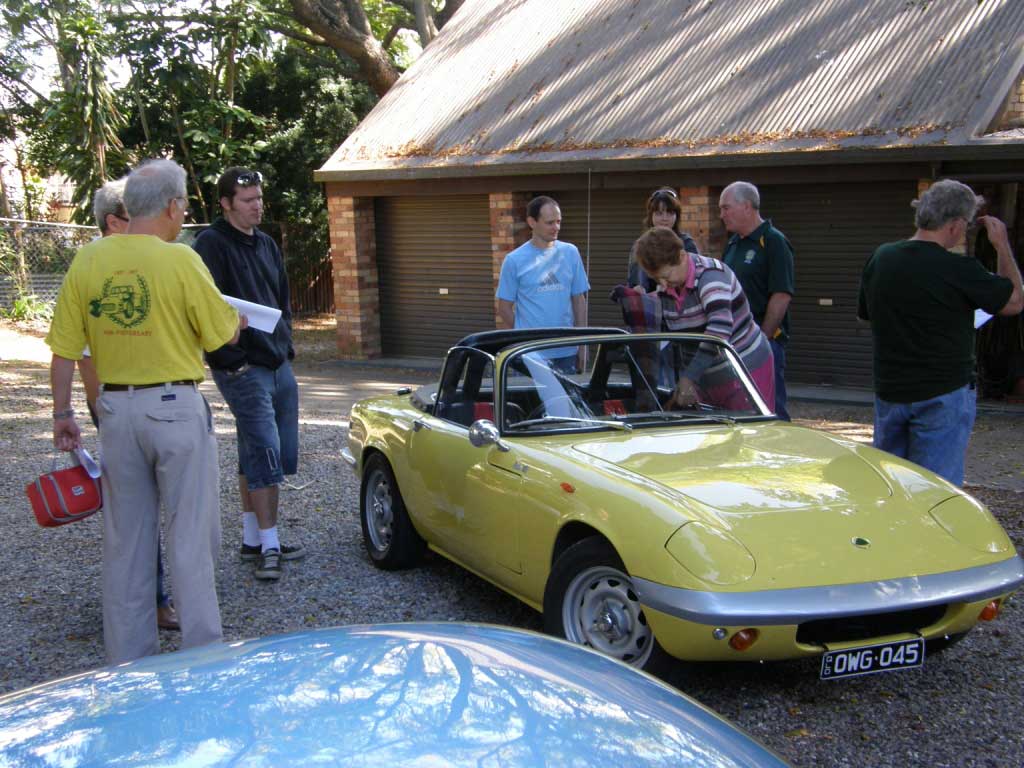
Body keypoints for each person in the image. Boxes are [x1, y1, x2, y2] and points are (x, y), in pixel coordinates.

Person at [47, 158, 243, 664]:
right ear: (173, 207)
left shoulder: (89, 260)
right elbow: (220, 334)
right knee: (190, 535)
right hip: (175, 407)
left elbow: (64, 349)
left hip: (114, 409)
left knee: (126, 541)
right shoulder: (181, 260)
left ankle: (129, 663)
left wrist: (63, 414)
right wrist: (236, 322)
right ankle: (201, 656)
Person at [857, 179, 1023, 486]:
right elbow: (1014, 301)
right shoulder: (959, 269)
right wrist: (1002, 245)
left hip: (891, 391)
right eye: (966, 225)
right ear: (955, 224)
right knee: (936, 489)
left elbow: (867, 314)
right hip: (943, 391)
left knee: (892, 485)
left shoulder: (881, 258)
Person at [193, 168, 304, 581]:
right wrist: (231, 357)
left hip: (277, 361)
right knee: (265, 452)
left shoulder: (267, 244)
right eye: (247, 200)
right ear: (225, 204)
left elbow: (282, 298)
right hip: (241, 367)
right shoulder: (210, 244)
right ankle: (270, 546)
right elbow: (205, 304)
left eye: (258, 198)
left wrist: (286, 344)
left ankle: (252, 539)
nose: (257, 206)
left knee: (264, 451)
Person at [87, 178, 179, 632]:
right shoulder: (96, 265)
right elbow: (83, 353)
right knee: (134, 513)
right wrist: (95, 407)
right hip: (120, 403)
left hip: (142, 401)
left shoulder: (147, 259)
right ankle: (151, 602)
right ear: (114, 221)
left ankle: (148, 601)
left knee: (142, 509)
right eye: (134, 214)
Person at [628, 226, 774, 410]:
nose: (663, 284)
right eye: (657, 279)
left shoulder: (712, 276)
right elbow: (669, 335)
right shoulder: (667, 288)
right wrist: (635, 304)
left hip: (746, 367)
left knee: (747, 426)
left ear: (682, 256)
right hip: (707, 375)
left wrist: (689, 378)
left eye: (666, 275)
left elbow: (719, 332)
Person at [720, 181, 795, 420]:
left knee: (771, 410)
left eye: (726, 208)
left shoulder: (773, 241)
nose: (722, 215)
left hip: (763, 344)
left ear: (746, 206)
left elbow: (781, 294)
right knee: (740, 412)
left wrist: (762, 339)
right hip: (734, 344)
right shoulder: (733, 243)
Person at [496, 196, 590, 372]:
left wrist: (583, 346)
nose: (556, 227)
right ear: (532, 222)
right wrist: (522, 339)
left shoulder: (570, 252)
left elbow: (579, 300)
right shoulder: (514, 260)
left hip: (566, 352)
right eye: (549, 223)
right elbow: (504, 308)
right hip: (529, 355)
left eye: (558, 221)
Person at [628, 187, 701, 291]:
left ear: (677, 216)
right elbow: (633, 282)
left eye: (670, 213)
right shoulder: (640, 246)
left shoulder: (686, 243)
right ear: (651, 216)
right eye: (659, 213)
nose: (665, 218)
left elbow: (696, 277)